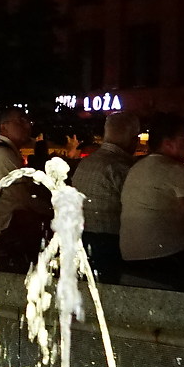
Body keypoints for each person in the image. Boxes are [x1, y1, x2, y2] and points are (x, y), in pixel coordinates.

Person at [119, 112, 184, 289]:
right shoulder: (177, 171)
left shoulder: (136, 168)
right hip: (167, 260)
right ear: (168, 142)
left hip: (129, 259)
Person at [0, 107, 46, 268]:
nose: (27, 126)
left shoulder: (7, 152)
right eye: (21, 121)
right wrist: (53, 210)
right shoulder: (2, 154)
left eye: (28, 121)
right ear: (3, 126)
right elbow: (22, 198)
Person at [69, 111, 137, 280]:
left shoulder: (86, 163)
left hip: (81, 238)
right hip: (112, 242)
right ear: (132, 138)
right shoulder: (122, 167)